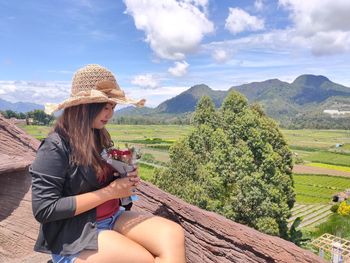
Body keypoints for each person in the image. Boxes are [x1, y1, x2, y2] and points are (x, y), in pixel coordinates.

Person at [30, 64, 186, 263]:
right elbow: (44, 209)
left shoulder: (99, 137)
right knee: (141, 259)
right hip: (72, 232)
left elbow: (100, 181)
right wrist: (110, 192)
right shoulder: (54, 147)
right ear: (84, 106)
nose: (110, 113)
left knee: (172, 234)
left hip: (111, 215)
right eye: (105, 106)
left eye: (112, 106)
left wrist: (123, 174)